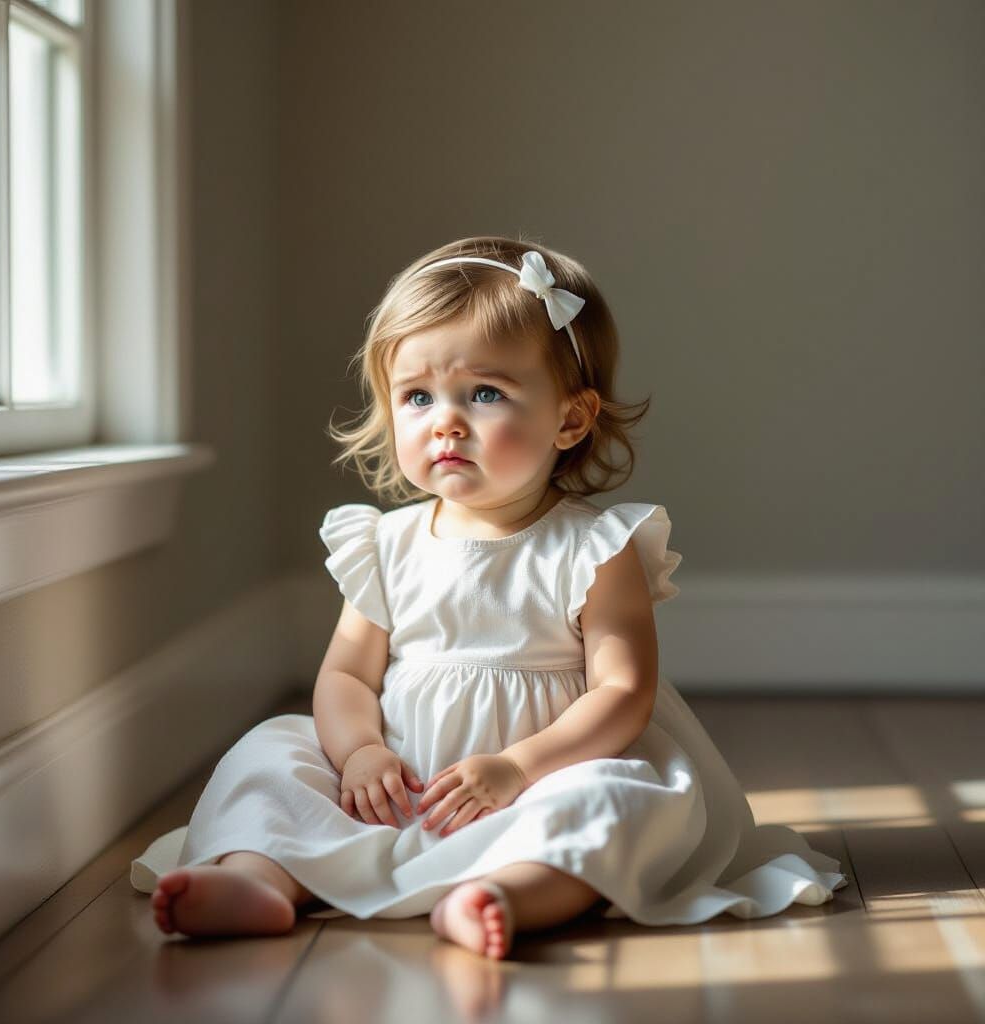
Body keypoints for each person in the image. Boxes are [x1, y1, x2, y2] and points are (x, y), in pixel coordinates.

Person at [132, 235, 848, 960]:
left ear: (570, 419)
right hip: (400, 784)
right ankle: (259, 879)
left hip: (547, 775)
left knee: (623, 800)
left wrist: (519, 768)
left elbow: (624, 691)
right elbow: (347, 674)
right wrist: (359, 755)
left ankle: (505, 893)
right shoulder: (386, 544)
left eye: (483, 393)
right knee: (269, 754)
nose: (444, 420)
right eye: (416, 396)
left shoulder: (596, 549)